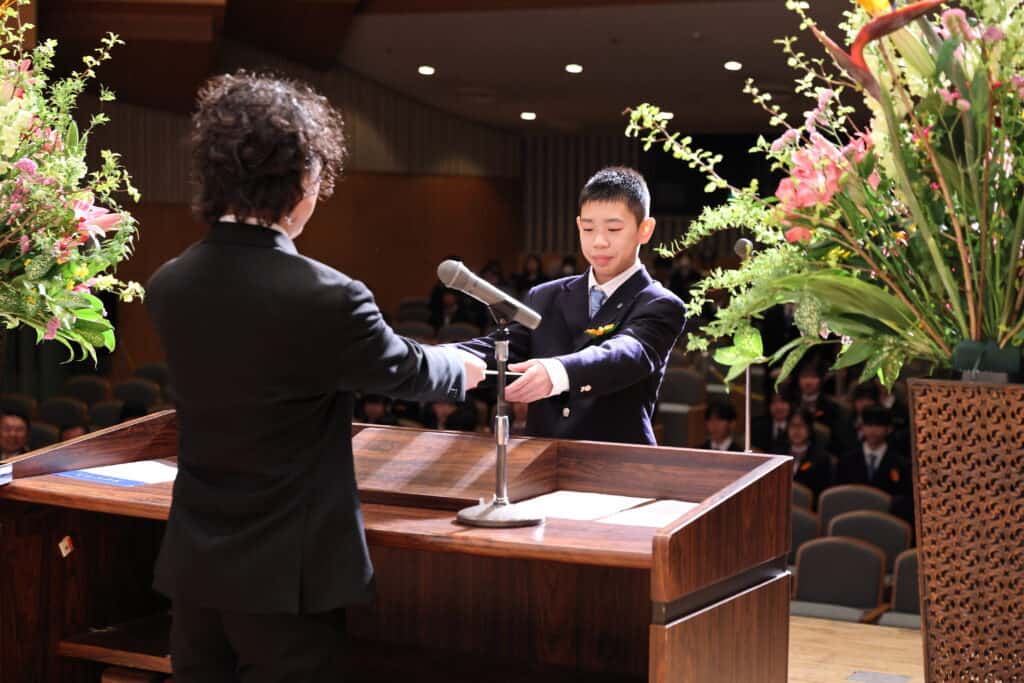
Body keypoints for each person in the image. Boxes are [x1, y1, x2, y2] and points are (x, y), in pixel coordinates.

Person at [145, 72, 485, 682]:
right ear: (301, 181)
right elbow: (403, 368)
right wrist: (461, 365)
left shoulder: (169, 284)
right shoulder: (327, 297)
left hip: (196, 570)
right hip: (287, 577)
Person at [458, 167, 687, 445]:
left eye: (614, 229)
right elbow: (500, 348)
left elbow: (624, 354)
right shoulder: (545, 296)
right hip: (541, 453)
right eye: (588, 229)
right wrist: (435, 359)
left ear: (645, 229)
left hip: (619, 458)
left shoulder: (660, 303)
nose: (599, 242)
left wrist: (556, 372)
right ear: (579, 226)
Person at [783, 409, 832, 504]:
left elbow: (821, 493)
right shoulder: (777, 454)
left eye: (801, 426)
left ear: (809, 429)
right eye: (793, 425)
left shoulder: (820, 458)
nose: (796, 430)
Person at [751, 388, 792, 454]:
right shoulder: (758, 426)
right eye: (774, 402)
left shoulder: (796, 425)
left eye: (783, 402)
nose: (779, 407)